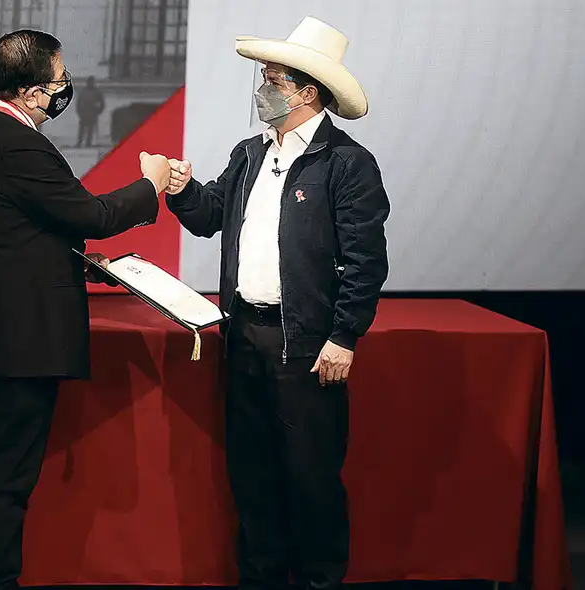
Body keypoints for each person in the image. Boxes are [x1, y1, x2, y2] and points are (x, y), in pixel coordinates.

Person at [0, 30, 170, 590]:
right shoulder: (17, 143)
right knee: (4, 483)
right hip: (15, 344)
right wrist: (149, 185)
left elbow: (9, 227)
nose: (64, 89)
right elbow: (90, 215)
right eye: (59, 80)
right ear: (34, 91)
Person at [164, 17, 390, 590]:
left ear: (305, 90)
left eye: (271, 80)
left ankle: (318, 580)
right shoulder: (248, 153)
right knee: (253, 474)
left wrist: (344, 336)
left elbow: (366, 260)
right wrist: (182, 188)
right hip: (245, 337)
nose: (261, 90)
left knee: (310, 477)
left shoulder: (346, 164)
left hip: (307, 344)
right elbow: (210, 216)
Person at [75, 75, 105, 147]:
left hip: (92, 112)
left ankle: (88, 143)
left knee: (90, 129)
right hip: (84, 112)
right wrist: (79, 112)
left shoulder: (97, 92)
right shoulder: (83, 91)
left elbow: (102, 103)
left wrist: (99, 111)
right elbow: (78, 102)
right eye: (89, 82)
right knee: (82, 129)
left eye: (91, 82)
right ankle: (79, 142)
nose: (90, 83)